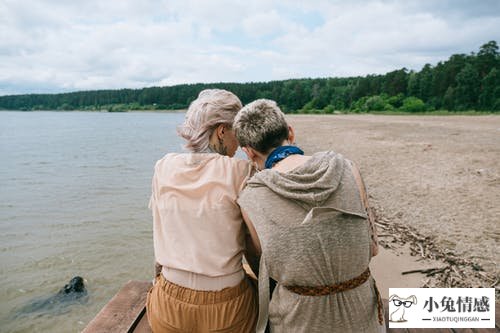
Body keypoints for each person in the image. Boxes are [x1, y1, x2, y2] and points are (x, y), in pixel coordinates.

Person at [233, 99, 385, 333]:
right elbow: (372, 248)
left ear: (249, 152)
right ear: (290, 133)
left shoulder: (251, 196)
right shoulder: (347, 168)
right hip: (362, 317)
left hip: (299, 321)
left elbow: (265, 266)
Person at [146, 89, 258, 333]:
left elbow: (159, 235)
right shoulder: (240, 171)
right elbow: (254, 247)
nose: (238, 144)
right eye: (236, 133)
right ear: (221, 130)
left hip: (168, 309)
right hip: (226, 311)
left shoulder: (163, 167)